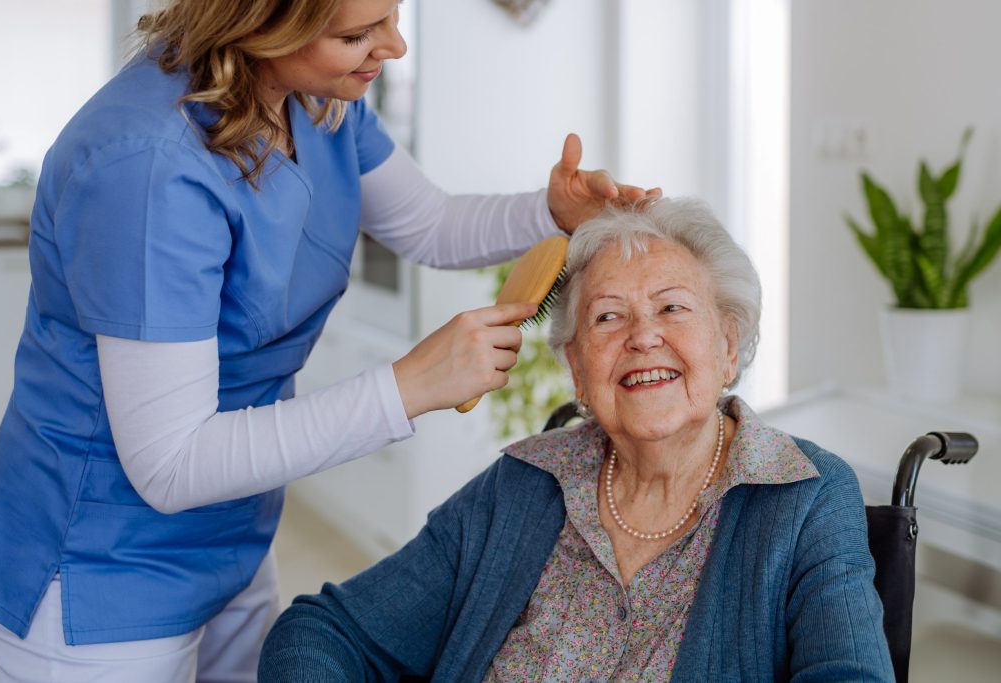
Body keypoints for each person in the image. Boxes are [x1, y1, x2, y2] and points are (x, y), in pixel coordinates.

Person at [0, 0, 659, 680]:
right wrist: (409, 385)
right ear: (259, 23)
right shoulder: (148, 165)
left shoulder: (315, 99)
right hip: (98, 568)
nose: (393, 47)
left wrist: (551, 211)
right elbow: (170, 461)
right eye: (357, 34)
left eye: (393, 15)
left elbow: (431, 223)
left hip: (231, 532)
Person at [258, 197, 894, 682]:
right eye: (608, 316)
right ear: (578, 371)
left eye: (673, 308)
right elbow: (327, 630)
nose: (643, 336)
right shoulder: (523, 484)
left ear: (728, 348)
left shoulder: (805, 494)